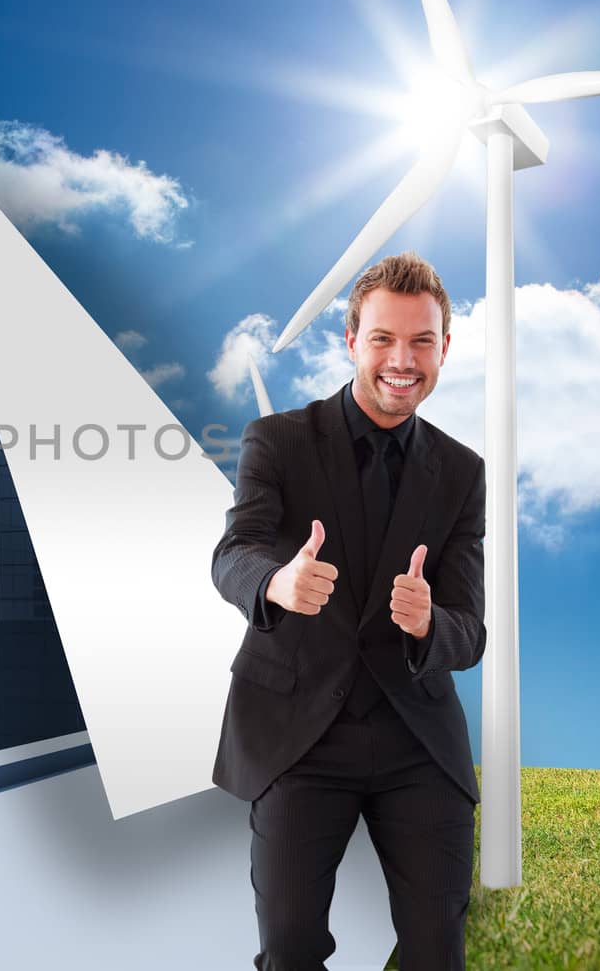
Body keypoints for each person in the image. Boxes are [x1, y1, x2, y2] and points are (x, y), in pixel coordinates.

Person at [210, 252, 486, 971]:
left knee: (435, 948)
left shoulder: (462, 473)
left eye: (423, 341)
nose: (403, 359)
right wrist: (276, 583)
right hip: (301, 734)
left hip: (414, 738)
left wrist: (431, 621)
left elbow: (471, 629)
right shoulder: (277, 442)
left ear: (445, 348)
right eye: (384, 339)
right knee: (292, 944)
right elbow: (232, 552)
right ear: (351, 341)